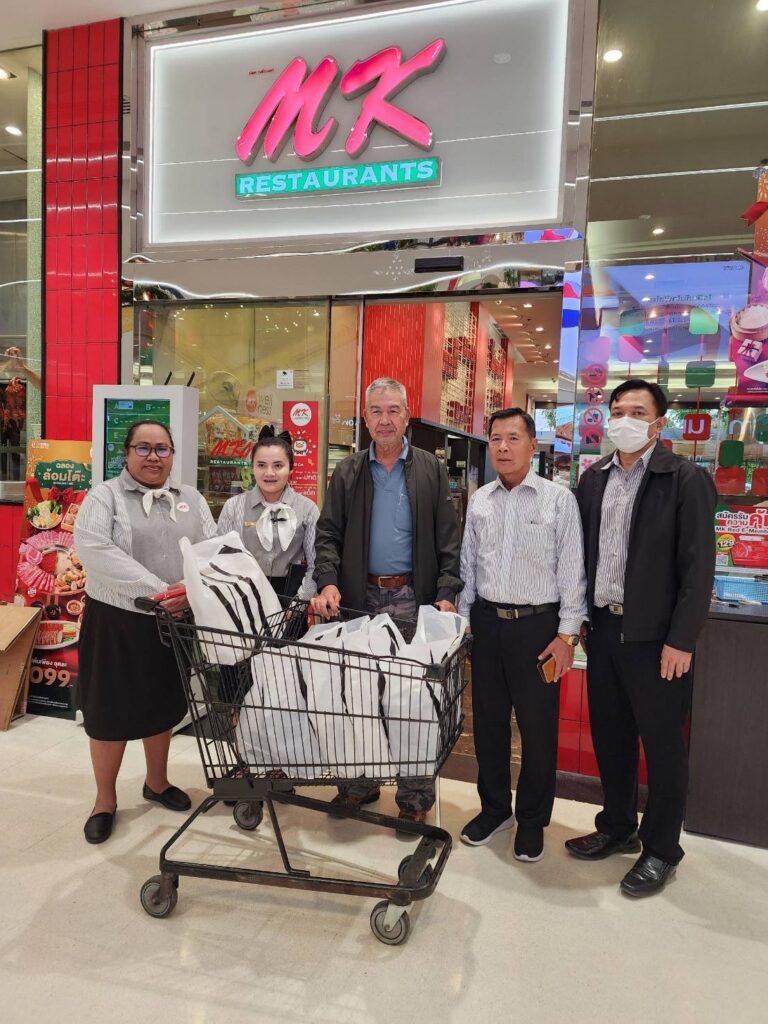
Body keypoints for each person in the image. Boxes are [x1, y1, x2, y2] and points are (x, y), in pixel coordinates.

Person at [565, 379, 716, 897]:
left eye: (636, 411)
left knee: (663, 746)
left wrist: (682, 639)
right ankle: (617, 826)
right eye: (617, 410)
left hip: (657, 639)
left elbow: (698, 569)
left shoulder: (685, 479)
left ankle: (662, 849)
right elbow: (581, 553)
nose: (623, 420)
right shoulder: (593, 479)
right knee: (611, 736)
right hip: (604, 629)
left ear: (658, 423)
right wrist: (580, 619)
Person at [311, 377, 463, 826]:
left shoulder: (430, 470)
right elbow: (327, 534)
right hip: (359, 598)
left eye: (393, 410)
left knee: (413, 699)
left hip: (412, 598)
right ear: (365, 418)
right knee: (356, 693)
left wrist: (446, 594)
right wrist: (327, 581)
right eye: (376, 411)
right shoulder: (349, 471)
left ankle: (414, 799)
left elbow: (448, 540)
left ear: (407, 416)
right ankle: (359, 783)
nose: (384, 420)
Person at [75, 420, 217, 845]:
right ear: (127, 453)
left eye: (162, 449)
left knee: (163, 701)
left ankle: (157, 782)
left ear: (173, 454)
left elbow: (210, 548)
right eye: (143, 448)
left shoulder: (190, 498)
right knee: (108, 710)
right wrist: (161, 591)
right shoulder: (105, 496)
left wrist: (194, 589)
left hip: (174, 620)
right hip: (117, 620)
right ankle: (104, 800)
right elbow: (96, 551)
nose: (153, 456)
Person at [458, 408, 586, 861]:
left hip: (538, 628)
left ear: (533, 444)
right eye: (496, 438)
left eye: (513, 438)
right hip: (488, 624)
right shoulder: (480, 500)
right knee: (488, 725)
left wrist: (566, 637)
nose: (503, 447)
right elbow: (468, 567)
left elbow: (573, 573)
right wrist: (464, 622)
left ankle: (531, 820)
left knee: (537, 730)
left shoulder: (558, 501)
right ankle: (495, 809)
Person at [217, 425, 319, 600]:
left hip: (292, 597)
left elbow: (315, 564)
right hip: (244, 597)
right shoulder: (233, 507)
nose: (269, 473)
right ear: (253, 468)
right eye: (261, 465)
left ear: (291, 468)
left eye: (278, 465)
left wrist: (298, 603)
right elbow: (220, 558)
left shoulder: (307, 509)